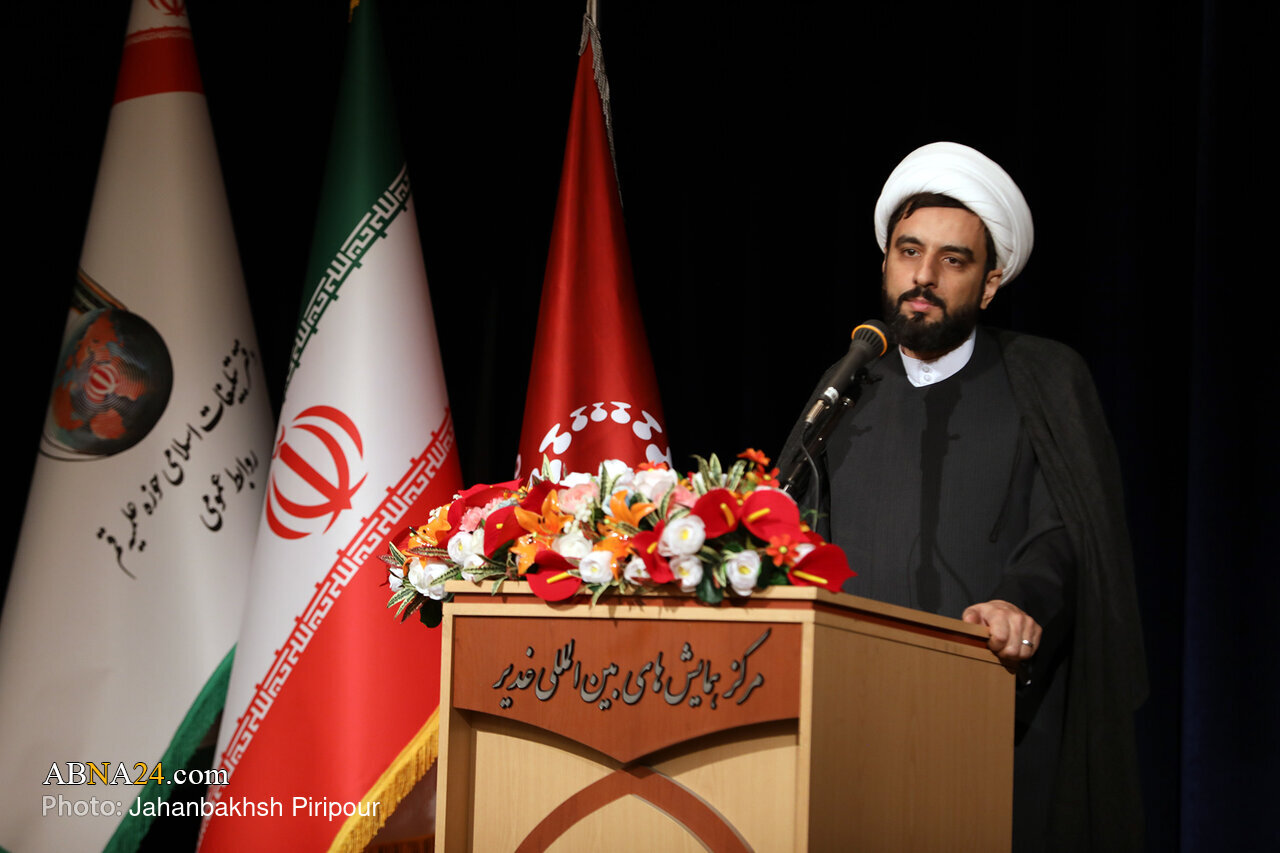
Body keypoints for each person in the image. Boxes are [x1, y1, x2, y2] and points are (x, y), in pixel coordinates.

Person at [778, 142, 1146, 852]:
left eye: (953, 260)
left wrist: (1019, 602)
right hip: (849, 725)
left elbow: (1068, 532)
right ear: (886, 263)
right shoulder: (849, 383)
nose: (924, 276)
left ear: (989, 283)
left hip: (994, 724)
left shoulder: (1043, 378)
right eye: (909, 252)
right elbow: (792, 527)